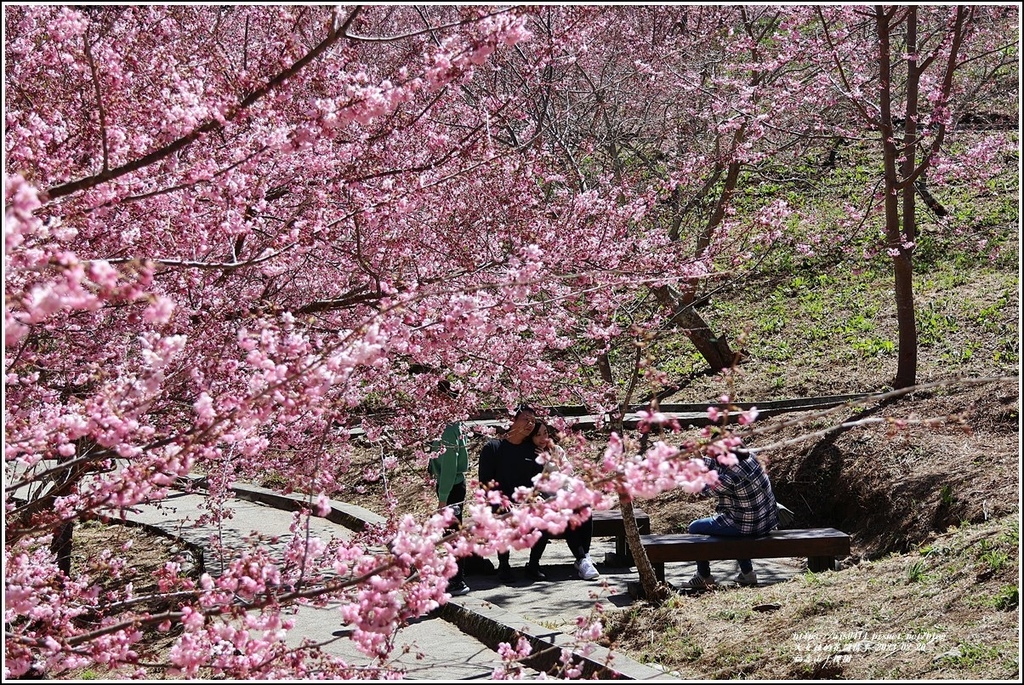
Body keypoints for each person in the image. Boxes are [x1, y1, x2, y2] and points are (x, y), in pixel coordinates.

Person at [686, 447, 778, 589]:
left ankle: (704, 576)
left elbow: (706, 490)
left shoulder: (731, 477)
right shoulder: (750, 457)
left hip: (747, 525)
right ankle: (748, 574)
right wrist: (698, 458)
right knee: (737, 526)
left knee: (695, 528)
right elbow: (718, 466)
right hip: (766, 520)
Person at [478, 405, 549, 583]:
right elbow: (485, 482)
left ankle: (533, 565)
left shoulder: (531, 450)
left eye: (533, 421)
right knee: (502, 514)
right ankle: (504, 565)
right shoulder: (493, 447)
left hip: (525, 501)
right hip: (500, 501)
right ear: (513, 421)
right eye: (526, 419)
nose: (530, 424)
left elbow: (536, 482)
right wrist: (501, 499)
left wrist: (534, 497)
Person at [530, 421, 600, 581]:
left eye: (545, 433)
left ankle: (584, 558)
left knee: (585, 507)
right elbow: (536, 482)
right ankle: (583, 560)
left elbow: (567, 472)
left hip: (566, 493)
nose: (543, 438)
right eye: (538, 435)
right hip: (546, 499)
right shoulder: (531, 453)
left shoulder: (556, 450)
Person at [428, 420, 471, 596]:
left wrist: (443, 498)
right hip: (454, 483)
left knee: (452, 534)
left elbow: (449, 466)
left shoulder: (448, 429)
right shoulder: (454, 424)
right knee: (451, 533)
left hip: (451, 485)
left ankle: (456, 579)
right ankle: (453, 575)